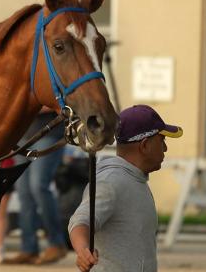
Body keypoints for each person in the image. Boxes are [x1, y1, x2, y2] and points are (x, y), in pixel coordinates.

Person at [68, 104, 183, 272]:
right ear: (144, 146)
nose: (165, 148)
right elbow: (80, 221)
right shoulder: (111, 182)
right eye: (161, 141)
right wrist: (83, 250)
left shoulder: (136, 179)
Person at [3, 107, 71, 265]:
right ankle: (29, 249)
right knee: (23, 192)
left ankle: (57, 243)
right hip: (22, 136)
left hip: (49, 132)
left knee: (38, 186)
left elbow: (58, 101)